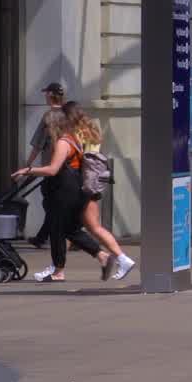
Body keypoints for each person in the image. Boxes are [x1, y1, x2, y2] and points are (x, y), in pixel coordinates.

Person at [13, 109, 106, 282]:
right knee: (68, 229)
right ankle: (100, 255)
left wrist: (28, 170)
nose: (46, 130)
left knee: (58, 229)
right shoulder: (74, 139)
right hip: (75, 188)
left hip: (64, 190)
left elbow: (53, 169)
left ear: (54, 125)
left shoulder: (63, 142)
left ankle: (59, 271)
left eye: (47, 126)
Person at [65, 104, 136, 281]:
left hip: (83, 184)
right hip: (93, 183)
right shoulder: (92, 130)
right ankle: (114, 258)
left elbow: (75, 157)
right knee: (84, 227)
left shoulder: (76, 133)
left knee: (88, 227)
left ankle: (122, 258)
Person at [24, 81, 70, 249]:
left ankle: (61, 236)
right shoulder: (69, 114)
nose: (45, 96)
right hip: (69, 166)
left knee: (50, 203)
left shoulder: (49, 117)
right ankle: (43, 237)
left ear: (50, 95)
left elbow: (38, 144)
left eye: (46, 93)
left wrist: (28, 164)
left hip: (51, 166)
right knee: (58, 203)